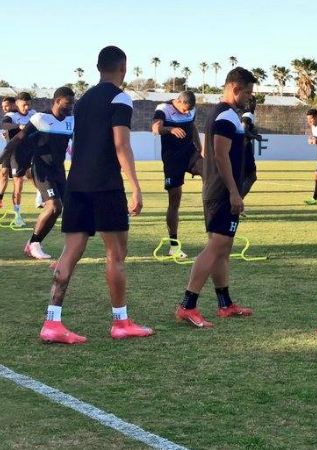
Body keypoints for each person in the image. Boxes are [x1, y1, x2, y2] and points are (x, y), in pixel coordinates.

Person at [40, 46, 153, 344]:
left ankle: (52, 323)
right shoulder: (120, 98)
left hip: (76, 184)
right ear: (123, 68)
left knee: (70, 253)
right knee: (116, 254)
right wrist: (136, 186)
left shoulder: (84, 99)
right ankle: (121, 322)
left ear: (98, 67)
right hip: (105, 186)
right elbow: (121, 146)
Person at [175, 67, 257, 328]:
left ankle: (225, 304)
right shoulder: (224, 115)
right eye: (247, 92)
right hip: (221, 192)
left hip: (218, 190)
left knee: (223, 248)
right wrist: (234, 192)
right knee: (216, 247)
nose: (249, 97)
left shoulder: (225, 114)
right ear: (235, 88)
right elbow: (220, 155)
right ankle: (187, 305)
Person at [2, 87, 75, 259]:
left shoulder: (71, 120)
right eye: (67, 104)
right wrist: (3, 157)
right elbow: (18, 138)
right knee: (54, 206)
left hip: (58, 170)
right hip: (41, 168)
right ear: (56, 101)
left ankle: (34, 243)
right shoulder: (40, 118)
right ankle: (34, 244)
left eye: (72, 104)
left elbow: (76, 144)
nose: (70, 107)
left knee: (59, 209)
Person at [152, 91, 203, 259]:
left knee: (210, 173)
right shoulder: (163, 109)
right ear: (179, 102)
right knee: (175, 201)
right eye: (185, 109)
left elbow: (193, 125)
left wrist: (199, 145)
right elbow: (155, 128)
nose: (187, 112)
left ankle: (217, 234)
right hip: (172, 159)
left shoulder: (191, 110)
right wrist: (171, 129)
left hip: (190, 153)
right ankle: (173, 246)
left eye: (190, 110)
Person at [1, 92, 36, 226]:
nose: (26, 107)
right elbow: (4, 125)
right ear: (17, 103)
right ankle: (17, 215)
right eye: (24, 104)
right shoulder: (11, 116)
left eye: (28, 104)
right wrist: (18, 126)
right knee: (18, 183)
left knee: (33, 175)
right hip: (16, 153)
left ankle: (41, 196)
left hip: (31, 151)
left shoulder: (33, 114)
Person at [240, 97, 262, 198]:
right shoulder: (248, 114)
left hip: (243, 148)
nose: (255, 104)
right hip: (244, 148)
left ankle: (236, 203)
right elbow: (243, 130)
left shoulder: (248, 114)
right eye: (253, 102)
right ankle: (237, 201)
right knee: (252, 176)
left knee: (244, 177)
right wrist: (255, 137)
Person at [0, 96, 17, 209]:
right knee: (4, 173)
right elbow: (4, 125)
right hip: (9, 150)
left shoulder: (21, 115)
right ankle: (0, 198)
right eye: (3, 107)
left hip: (22, 152)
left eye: (6, 106)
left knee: (30, 175)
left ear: (13, 104)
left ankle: (41, 196)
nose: (4, 109)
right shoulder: (7, 117)